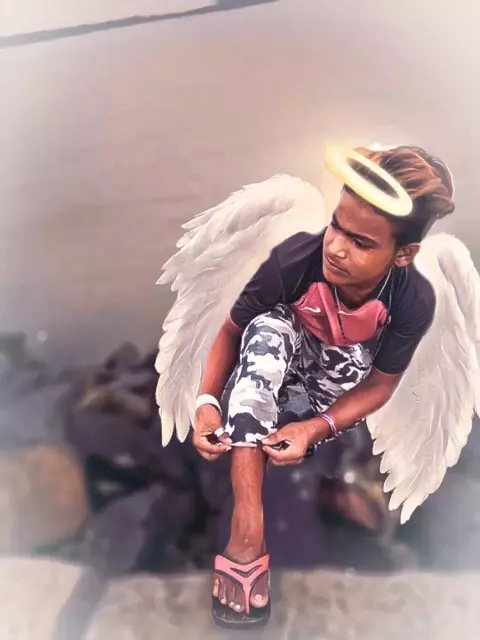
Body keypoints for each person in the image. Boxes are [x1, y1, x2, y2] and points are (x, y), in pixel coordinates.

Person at [190, 145, 456, 626]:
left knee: (347, 375)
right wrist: (207, 400)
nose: (335, 248)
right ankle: (247, 534)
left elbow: (380, 384)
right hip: (284, 348)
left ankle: (317, 464)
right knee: (266, 329)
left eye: (361, 243)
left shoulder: (412, 301)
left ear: (403, 254)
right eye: (336, 225)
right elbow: (232, 330)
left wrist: (316, 428)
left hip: (335, 376)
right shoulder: (295, 259)